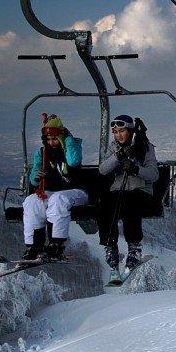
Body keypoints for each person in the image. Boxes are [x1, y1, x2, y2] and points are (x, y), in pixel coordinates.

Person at [98, 115, 159, 275]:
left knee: (130, 202)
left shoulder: (144, 147)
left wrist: (135, 169)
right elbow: (103, 169)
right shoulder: (113, 148)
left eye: (122, 131)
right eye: (115, 132)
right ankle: (110, 245)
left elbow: (154, 174)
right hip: (118, 191)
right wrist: (117, 157)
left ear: (130, 130)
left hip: (140, 192)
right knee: (104, 204)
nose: (118, 135)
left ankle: (134, 247)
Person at [22, 114, 88, 261]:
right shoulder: (42, 153)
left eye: (55, 139)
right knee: (32, 202)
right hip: (50, 192)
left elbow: (73, 161)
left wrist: (68, 140)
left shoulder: (70, 148)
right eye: (49, 140)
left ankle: (56, 244)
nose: (52, 143)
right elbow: (33, 179)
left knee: (59, 200)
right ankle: (33, 245)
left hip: (75, 191)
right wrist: (36, 177)